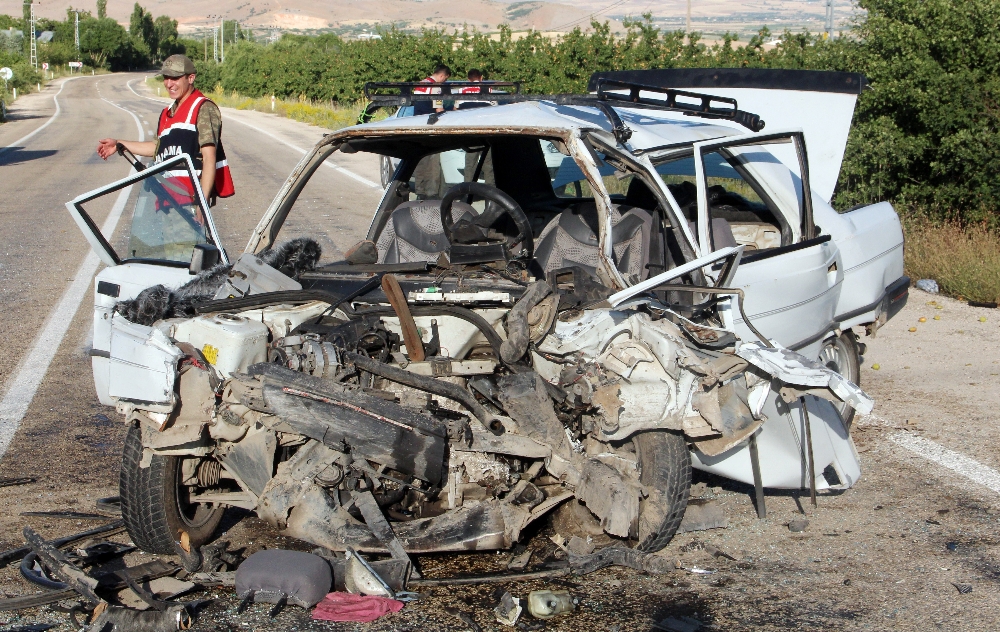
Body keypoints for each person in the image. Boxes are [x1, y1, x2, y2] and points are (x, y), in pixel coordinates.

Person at [96, 54, 234, 205]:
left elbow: (209, 157)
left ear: (191, 78)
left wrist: (202, 202)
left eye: (174, 78)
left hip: (189, 202)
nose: (169, 84)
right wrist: (119, 144)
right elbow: (156, 148)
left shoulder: (203, 108)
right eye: (166, 78)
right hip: (166, 202)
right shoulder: (167, 113)